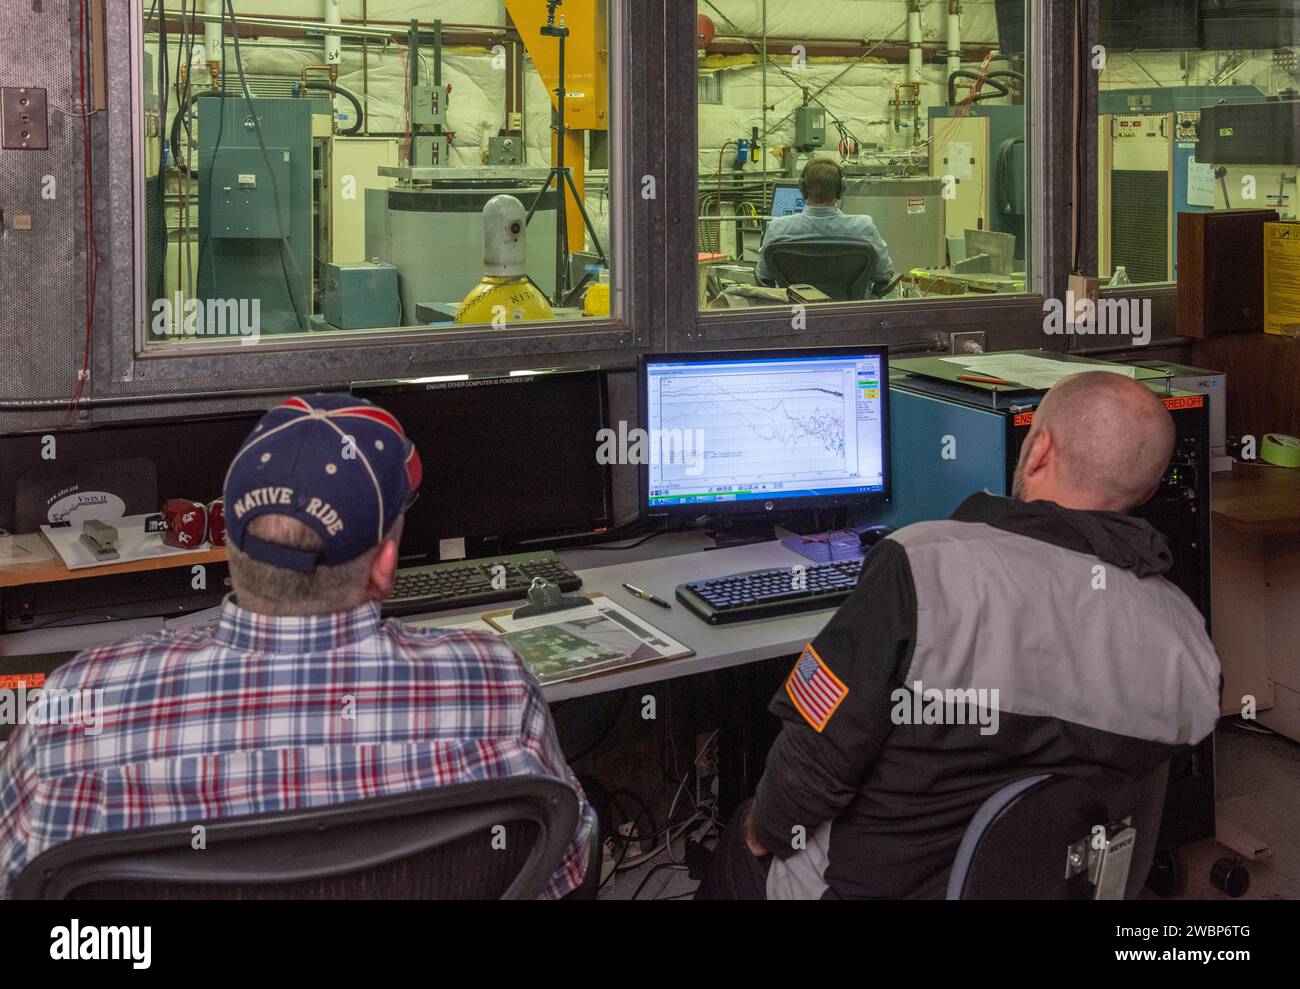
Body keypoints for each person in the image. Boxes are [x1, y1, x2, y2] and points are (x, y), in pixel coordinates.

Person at [0, 394, 595, 898]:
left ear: (229, 546)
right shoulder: (496, 686)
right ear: (385, 567)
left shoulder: (72, 709)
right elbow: (570, 869)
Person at [697, 372, 1222, 900]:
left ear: (1038, 449)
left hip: (866, 887)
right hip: (1054, 888)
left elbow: (812, 763)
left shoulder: (922, 565)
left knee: (746, 840)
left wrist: (759, 834)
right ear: (1150, 489)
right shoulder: (1185, 638)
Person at [755, 157, 896, 298]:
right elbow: (883, 274)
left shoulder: (777, 228)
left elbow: (763, 276)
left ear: (803, 189)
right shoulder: (863, 227)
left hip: (798, 316)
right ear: (840, 190)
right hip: (850, 315)